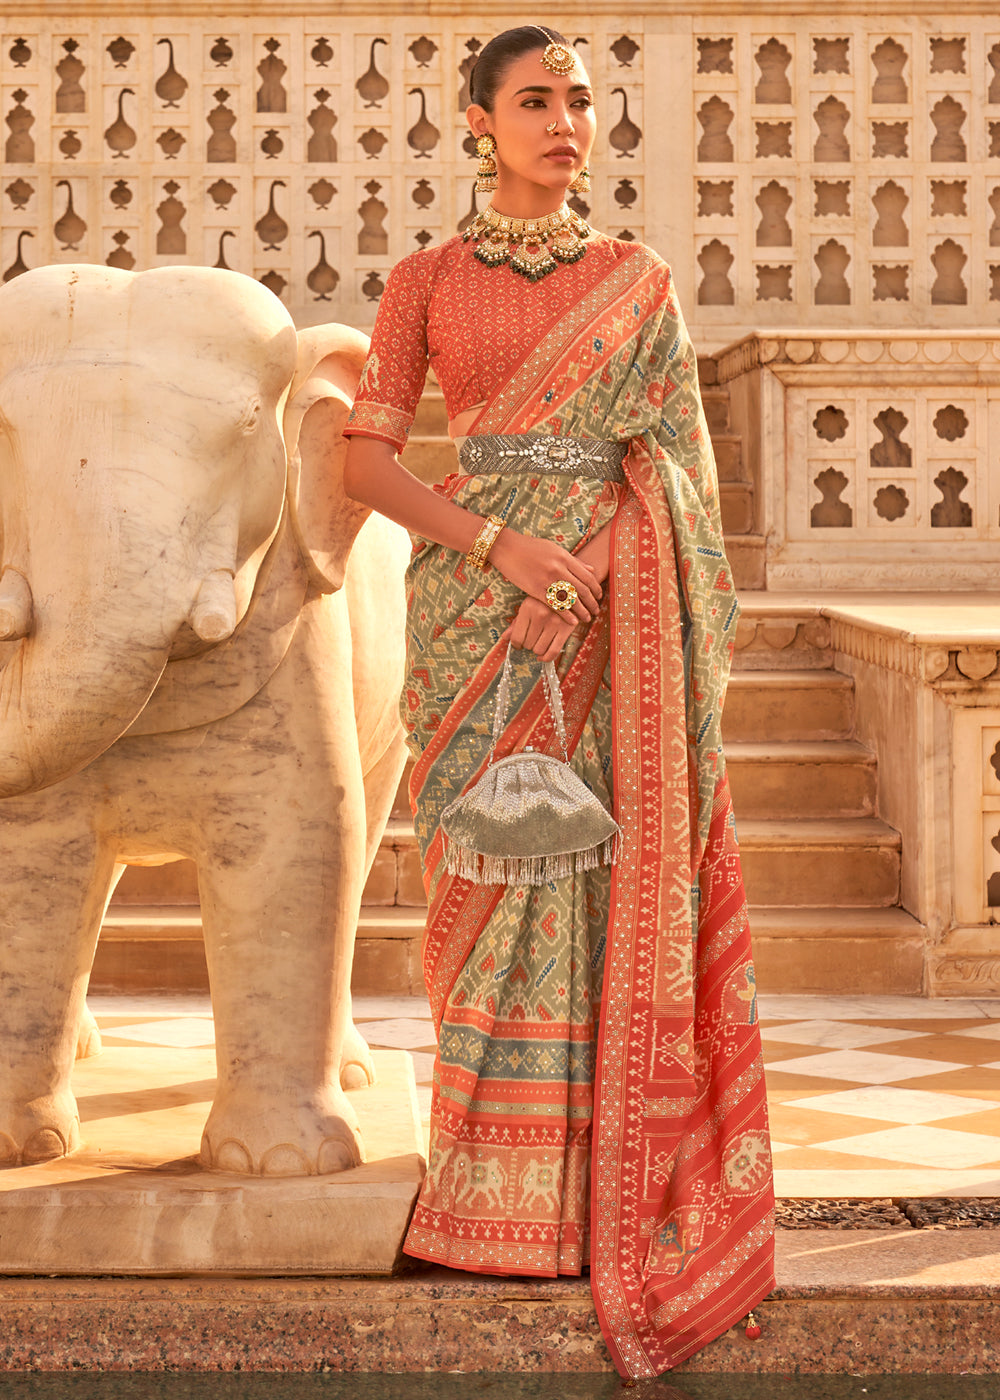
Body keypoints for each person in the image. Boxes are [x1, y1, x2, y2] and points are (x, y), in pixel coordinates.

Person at [342, 24, 774, 1380]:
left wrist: (581, 568)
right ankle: (483, 1191)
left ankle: (600, 1183)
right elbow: (367, 459)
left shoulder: (635, 283)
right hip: (472, 612)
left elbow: (676, 474)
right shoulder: (425, 280)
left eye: (581, 101)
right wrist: (495, 551)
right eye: (535, 100)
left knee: (597, 883)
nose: (565, 121)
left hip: (603, 614)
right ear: (476, 120)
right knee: (487, 881)